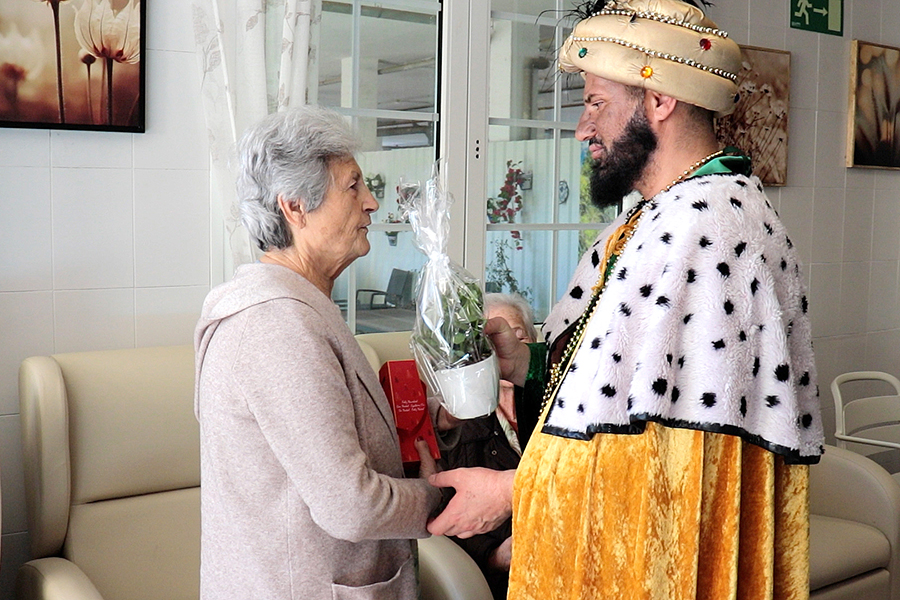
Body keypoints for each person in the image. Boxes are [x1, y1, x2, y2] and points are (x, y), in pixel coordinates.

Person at [427, 1, 825, 598]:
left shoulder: (707, 226)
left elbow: (675, 461)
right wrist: (526, 365)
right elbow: (620, 391)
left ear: (659, 100)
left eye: (595, 103)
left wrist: (511, 491)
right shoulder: (659, 215)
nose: (583, 128)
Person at [193, 106, 442, 600]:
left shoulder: (292, 309)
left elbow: (329, 429)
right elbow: (352, 506)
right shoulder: (276, 328)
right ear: (295, 208)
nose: (371, 202)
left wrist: (433, 417)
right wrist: (442, 499)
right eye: (353, 186)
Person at [442, 292, 537, 600]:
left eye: (518, 337)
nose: (504, 350)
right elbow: (450, 519)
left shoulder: (560, 409)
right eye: (489, 345)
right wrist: (497, 556)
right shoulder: (457, 425)